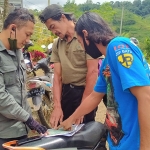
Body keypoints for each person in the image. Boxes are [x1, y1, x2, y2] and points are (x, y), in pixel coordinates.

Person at [58, 12, 150, 150]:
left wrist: (145, 146)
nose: (83, 48)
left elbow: (145, 95)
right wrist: (70, 119)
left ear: (86, 35)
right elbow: (95, 96)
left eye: (80, 41)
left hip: (135, 144)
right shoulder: (107, 62)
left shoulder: (118, 46)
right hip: (122, 141)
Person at [39, 4, 99, 128]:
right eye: (50, 30)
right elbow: (57, 76)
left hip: (84, 93)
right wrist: (57, 106)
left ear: (63, 18)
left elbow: (93, 72)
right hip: (66, 93)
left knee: (84, 133)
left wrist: (83, 107)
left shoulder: (85, 36)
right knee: (66, 131)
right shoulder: (57, 44)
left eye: (53, 27)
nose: (54, 32)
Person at [0, 8, 47, 150]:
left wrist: (29, 122)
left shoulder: (18, 50)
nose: (28, 41)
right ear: (13, 28)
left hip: (21, 131)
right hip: (4, 134)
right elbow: (1, 97)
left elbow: (19, 89)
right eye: (27, 35)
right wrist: (28, 118)